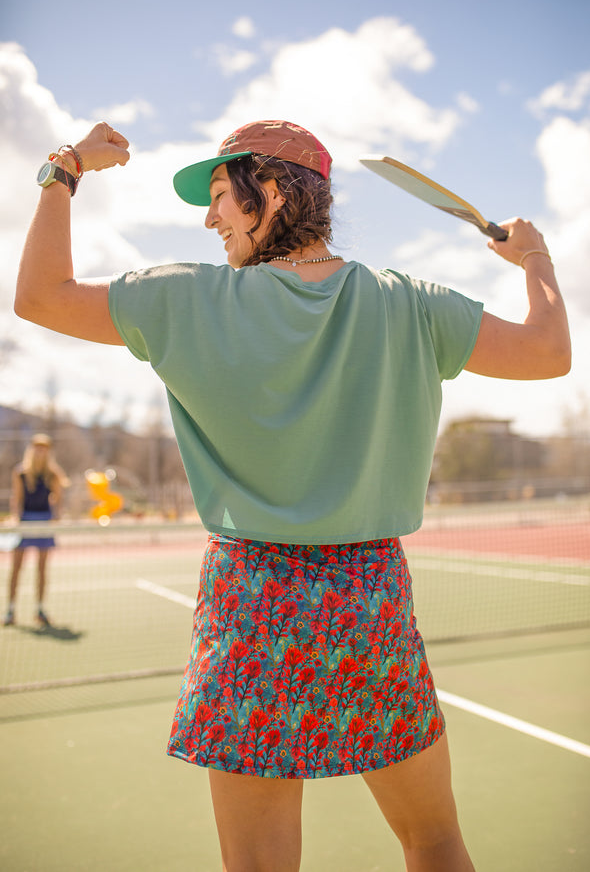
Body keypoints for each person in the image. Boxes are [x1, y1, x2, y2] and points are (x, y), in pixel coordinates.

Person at [14, 120, 570, 871]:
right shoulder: (407, 302)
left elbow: (39, 296)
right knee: (434, 839)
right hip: (369, 601)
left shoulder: (185, 299)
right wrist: (534, 257)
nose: (209, 218)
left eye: (218, 196)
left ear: (268, 194)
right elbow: (548, 351)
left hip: (249, 605)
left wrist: (66, 166)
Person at [4, 433, 68, 627]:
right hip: (25, 522)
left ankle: (40, 609)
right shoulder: (21, 472)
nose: (41, 450)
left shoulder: (53, 474)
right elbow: (17, 499)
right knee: (16, 567)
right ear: (32, 449)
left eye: (44, 447)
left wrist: (56, 514)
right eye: (37, 447)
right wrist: (16, 519)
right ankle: (11, 610)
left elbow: (58, 499)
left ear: (48, 451)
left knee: (41, 568)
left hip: (44, 523)